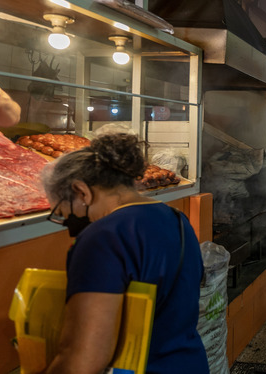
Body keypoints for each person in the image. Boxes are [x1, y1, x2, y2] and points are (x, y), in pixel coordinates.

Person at [41, 133, 207, 373]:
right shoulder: (177, 220)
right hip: (189, 364)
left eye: (62, 211)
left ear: (81, 192)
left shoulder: (102, 237)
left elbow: (85, 359)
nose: (67, 221)